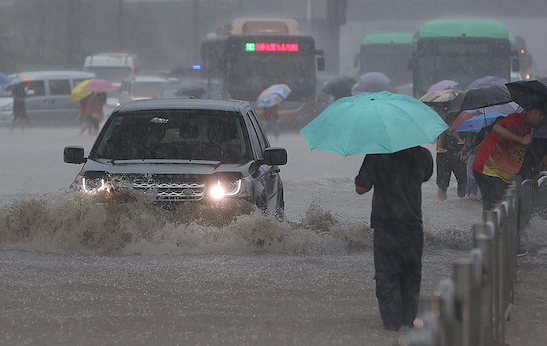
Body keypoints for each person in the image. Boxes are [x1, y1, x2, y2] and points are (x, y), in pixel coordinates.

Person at [355, 146, 433, 332]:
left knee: (387, 278)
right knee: (411, 278)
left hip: (386, 227)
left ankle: (391, 328)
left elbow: (360, 188)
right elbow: (425, 176)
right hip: (413, 226)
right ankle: (408, 325)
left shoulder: (376, 154)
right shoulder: (423, 154)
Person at [472, 103, 547, 212]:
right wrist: (521, 140)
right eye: (543, 120)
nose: (542, 124)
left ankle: (487, 225)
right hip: (488, 170)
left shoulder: (527, 130)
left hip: (499, 174)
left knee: (490, 209)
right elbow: (497, 128)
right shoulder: (516, 118)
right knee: (501, 205)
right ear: (536, 113)